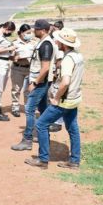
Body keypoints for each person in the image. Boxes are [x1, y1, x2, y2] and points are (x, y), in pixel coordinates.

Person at [25, 28, 85, 170]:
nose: (56, 42)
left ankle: (43, 159)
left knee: (41, 124)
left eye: (59, 41)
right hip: (74, 98)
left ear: (64, 44)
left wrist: (56, 98)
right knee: (73, 128)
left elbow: (65, 82)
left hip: (64, 100)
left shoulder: (68, 60)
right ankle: (74, 160)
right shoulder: (78, 56)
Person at [11, 19, 54, 151]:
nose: (33, 31)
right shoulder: (42, 42)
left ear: (43, 30)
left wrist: (34, 83)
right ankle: (43, 135)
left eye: (36, 29)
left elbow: (45, 67)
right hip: (41, 81)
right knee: (43, 109)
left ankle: (27, 139)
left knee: (29, 109)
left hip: (40, 83)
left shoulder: (46, 45)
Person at [0, 21, 17, 121]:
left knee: (1, 88)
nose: (10, 34)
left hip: (4, 62)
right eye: (10, 31)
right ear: (6, 29)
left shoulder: (2, 35)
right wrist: (9, 48)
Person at [10, 24, 36, 118]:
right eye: (27, 33)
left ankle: (27, 107)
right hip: (18, 68)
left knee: (28, 90)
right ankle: (15, 107)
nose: (29, 34)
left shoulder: (33, 43)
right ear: (21, 33)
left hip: (30, 69)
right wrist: (16, 58)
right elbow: (10, 56)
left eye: (30, 33)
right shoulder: (15, 43)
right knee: (16, 89)